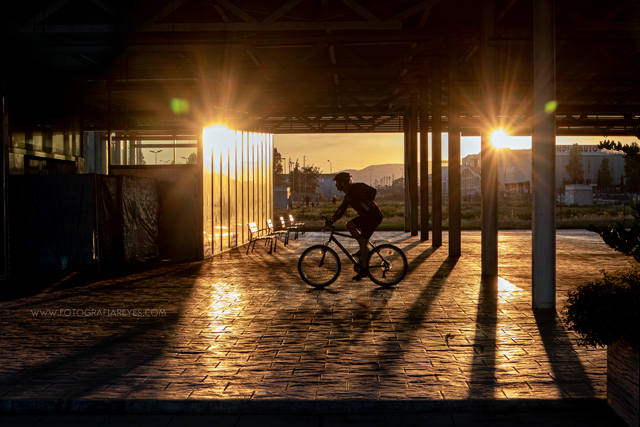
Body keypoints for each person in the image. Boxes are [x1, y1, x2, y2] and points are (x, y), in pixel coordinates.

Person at [327, 172, 383, 281]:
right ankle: (365, 250)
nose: (335, 185)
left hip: (373, 216)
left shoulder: (354, 189)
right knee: (350, 225)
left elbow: (373, 191)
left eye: (337, 182)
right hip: (368, 216)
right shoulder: (349, 192)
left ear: (343, 182)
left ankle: (365, 269)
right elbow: (342, 207)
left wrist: (367, 202)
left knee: (362, 240)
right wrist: (333, 219)